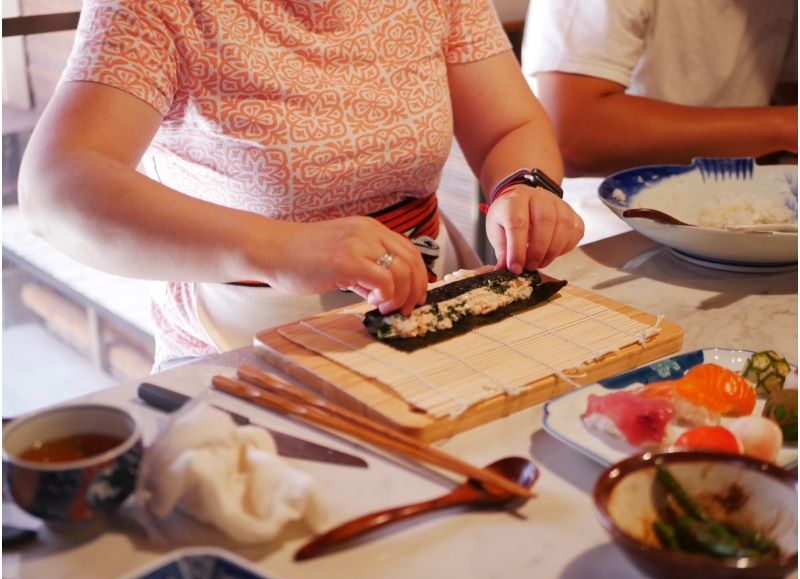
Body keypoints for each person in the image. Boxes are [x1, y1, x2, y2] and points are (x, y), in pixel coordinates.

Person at [19, 1, 584, 369]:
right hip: (245, 336)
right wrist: (279, 247)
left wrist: (524, 185)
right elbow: (55, 189)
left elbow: (511, 126)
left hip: (433, 292)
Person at [521, 0, 798, 177]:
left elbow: (787, 86)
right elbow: (573, 138)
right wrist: (784, 126)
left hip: (742, 210)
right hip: (608, 231)